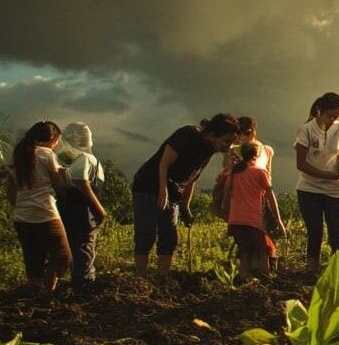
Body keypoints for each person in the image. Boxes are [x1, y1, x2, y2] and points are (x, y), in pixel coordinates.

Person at [132, 115, 241, 279]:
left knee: (169, 238)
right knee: (146, 235)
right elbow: (164, 163)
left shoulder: (209, 150)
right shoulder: (188, 134)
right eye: (226, 141)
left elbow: (192, 179)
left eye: (231, 142)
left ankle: (162, 279)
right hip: (148, 186)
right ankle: (140, 279)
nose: (228, 146)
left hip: (173, 191)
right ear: (213, 134)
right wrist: (162, 191)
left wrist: (185, 206)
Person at [8, 121, 71, 291]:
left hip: (21, 217)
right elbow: (59, 187)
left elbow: (10, 187)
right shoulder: (47, 154)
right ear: (52, 139)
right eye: (56, 141)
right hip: (45, 213)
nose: (56, 145)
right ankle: (48, 292)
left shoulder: (19, 155)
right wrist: (64, 175)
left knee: (33, 260)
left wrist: (19, 207)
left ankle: (35, 294)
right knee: (63, 257)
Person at [294, 93, 339, 272]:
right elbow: (301, 164)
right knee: (315, 231)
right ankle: (312, 269)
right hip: (309, 188)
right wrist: (327, 175)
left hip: (334, 189)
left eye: (338, 116)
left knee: (337, 232)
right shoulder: (306, 130)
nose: (334, 119)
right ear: (319, 111)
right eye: (331, 115)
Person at [223, 143, 286, 279]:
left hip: (236, 219)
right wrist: (278, 220)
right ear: (256, 155)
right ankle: (265, 279)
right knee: (263, 250)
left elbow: (227, 193)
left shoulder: (235, 172)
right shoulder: (260, 171)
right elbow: (270, 196)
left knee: (245, 251)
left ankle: (243, 279)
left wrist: (227, 213)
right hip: (252, 218)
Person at [58, 122, 107, 288]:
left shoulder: (74, 159)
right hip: (81, 213)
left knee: (79, 250)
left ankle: (77, 284)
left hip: (73, 212)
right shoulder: (84, 159)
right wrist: (99, 210)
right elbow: (81, 182)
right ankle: (82, 288)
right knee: (83, 251)